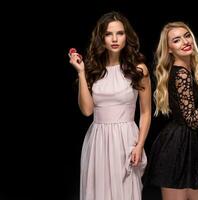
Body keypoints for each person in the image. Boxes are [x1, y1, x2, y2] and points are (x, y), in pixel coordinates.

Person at [68, 11, 151, 200]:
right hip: (98, 140)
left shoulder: (139, 70)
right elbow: (87, 110)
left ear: (126, 36)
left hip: (126, 140)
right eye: (108, 34)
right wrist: (81, 72)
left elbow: (146, 112)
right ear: (101, 38)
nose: (114, 39)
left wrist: (139, 145)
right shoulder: (91, 70)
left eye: (120, 33)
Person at [142, 21, 198, 200]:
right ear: (169, 49)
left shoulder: (187, 71)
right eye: (177, 40)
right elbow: (192, 120)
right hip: (176, 150)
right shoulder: (181, 74)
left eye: (187, 36)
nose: (185, 42)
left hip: (185, 148)